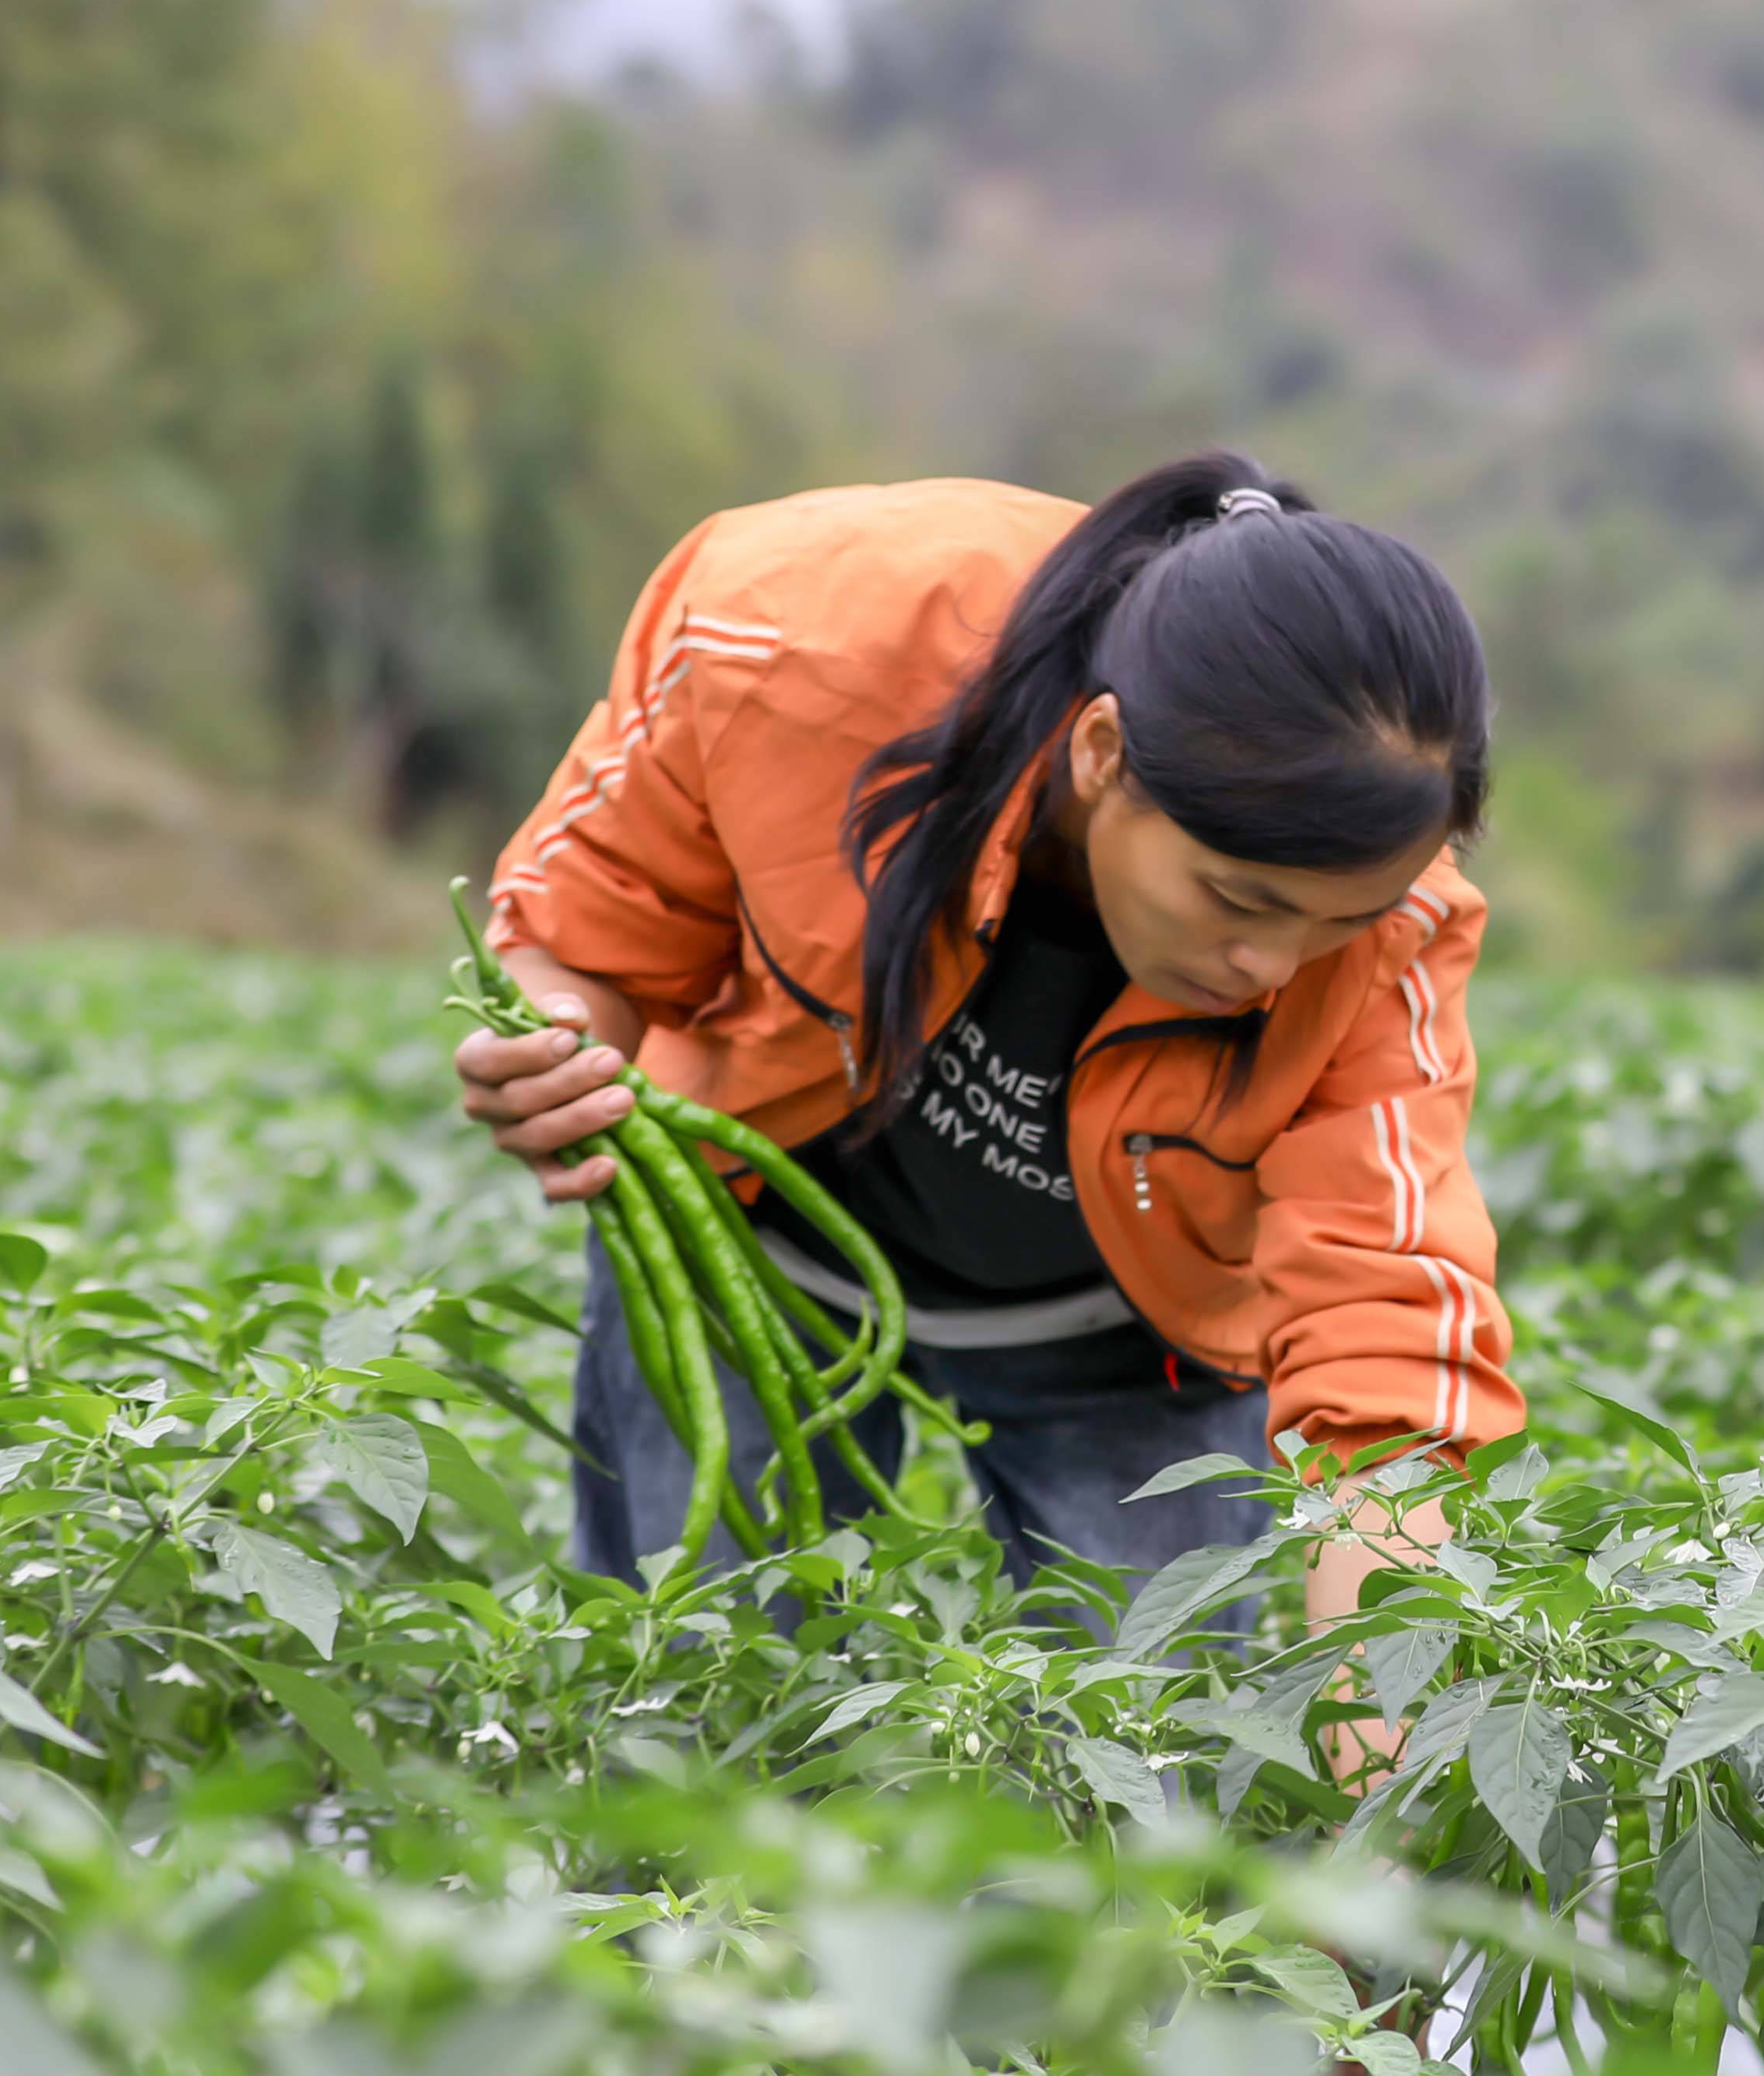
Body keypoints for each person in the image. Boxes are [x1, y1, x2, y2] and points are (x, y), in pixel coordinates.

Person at [454, 455, 1512, 1672]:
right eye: (1236, 897)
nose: (1274, 964)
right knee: (695, 1708)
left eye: (1331, 923)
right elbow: (593, 923)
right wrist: (555, 1040)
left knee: (1139, 1778)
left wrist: (1384, 1734)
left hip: (1128, 1327)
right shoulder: (793, 643)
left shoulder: (1393, 914)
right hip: (750, 1251)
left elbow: (1385, 1332)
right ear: (1103, 749)